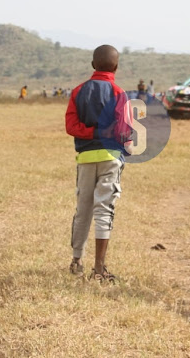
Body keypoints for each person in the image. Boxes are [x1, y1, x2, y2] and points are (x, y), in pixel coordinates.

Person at [65, 45, 134, 283]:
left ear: (93, 65)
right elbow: (125, 131)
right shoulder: (119, 93)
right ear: (115, 67)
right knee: (104, 209)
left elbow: (71, 127)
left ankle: (76, 261)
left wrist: (90, 132)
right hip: (110, 157)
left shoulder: (77, 92)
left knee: (82, 210)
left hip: (85, 159)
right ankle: (99, 267)